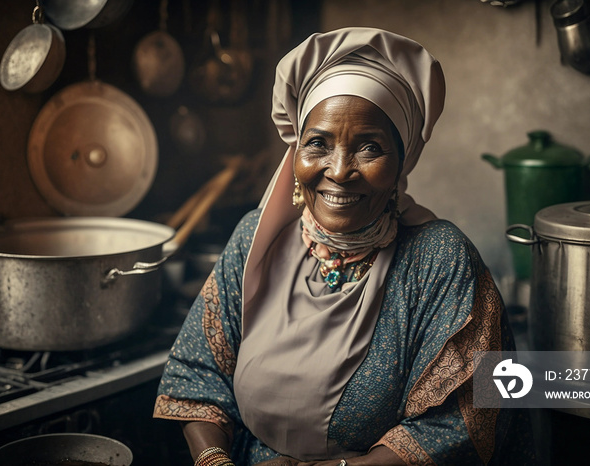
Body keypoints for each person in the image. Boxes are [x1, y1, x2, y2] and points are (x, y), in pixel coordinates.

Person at [154, 27, 534, 465]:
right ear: (296, 151)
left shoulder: (440, 259)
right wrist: (215, 461)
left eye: (369, 147)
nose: (338, 170)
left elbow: (466, 418)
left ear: (400, 161)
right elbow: (199, 377)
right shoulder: (259, 237)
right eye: (318, 143)